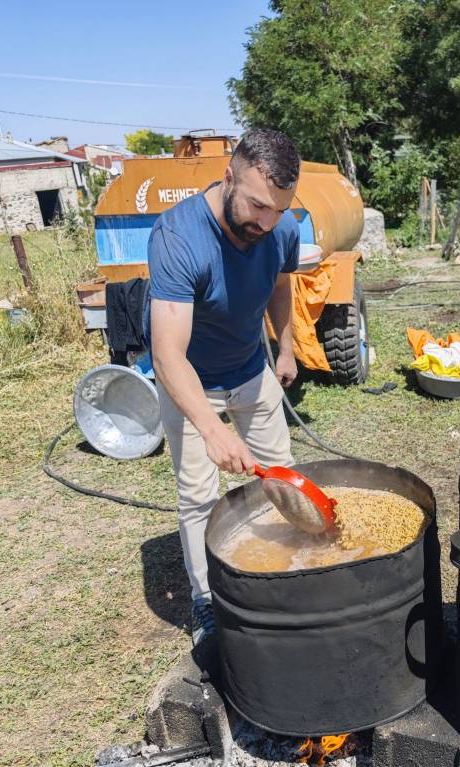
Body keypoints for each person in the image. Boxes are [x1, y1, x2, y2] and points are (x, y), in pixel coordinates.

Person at [146, 128, 301, 645]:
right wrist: (211, 428)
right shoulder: (177, 237)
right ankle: (206, 601)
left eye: (278, 210)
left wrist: (285, 347)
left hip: (251, 371)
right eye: (257, 206)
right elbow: (166, 354)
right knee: (198, 496)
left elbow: (281, 284)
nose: (266, 222)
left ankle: (295, 569)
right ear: (227, 176)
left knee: (282, 475)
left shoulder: (281, 229)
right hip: (190, 380)